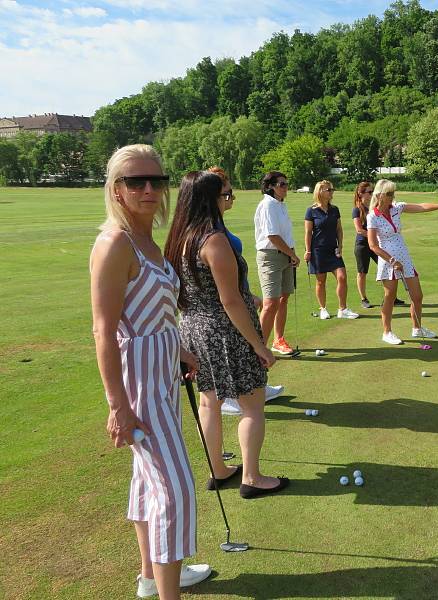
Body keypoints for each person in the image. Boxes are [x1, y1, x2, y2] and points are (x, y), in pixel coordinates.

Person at [90, 144, 211, 599]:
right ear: (115, 189)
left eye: (156, 181)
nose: (147, 189)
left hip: (163, 372)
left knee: (150, 483)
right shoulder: (114, 243)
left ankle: (151, 578)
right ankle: (168, 591)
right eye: (134, 181)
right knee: (175, 490)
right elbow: (104, 332)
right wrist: (117, 406)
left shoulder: (148, 241)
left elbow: (156, 313)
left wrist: (180, 350)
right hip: (137, 383)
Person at [164, 171, 289, 500]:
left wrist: (252, 300)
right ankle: (252, 477)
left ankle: (218, 469)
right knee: (252, 406)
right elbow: (229, 300)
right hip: (224, 332)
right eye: (227, 195)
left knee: (210, 403)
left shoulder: (180, 237)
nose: (231, 199)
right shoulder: (213, 240)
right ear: (209, 199)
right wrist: (259, 344)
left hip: (193, 328)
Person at [206, 166, 284, 416]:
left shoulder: (218, 222)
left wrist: (248, 294)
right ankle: (231, 397)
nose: (232, 197)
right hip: (228, 301)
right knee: (238, 345)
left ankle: (256, 387)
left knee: (244, 346)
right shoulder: (210, 228)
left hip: (241, 291)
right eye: (228, 192)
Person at [366, 179, 438, 345]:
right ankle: (387, 332)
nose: (392, 197)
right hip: (388, 260)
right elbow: (373, 245)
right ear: (380, 195)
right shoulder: (372, 216)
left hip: (404, 256)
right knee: (390, 296)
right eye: (389, 194)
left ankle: (417, 329)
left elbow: (421, 207)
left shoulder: (397, 208)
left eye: (393, 193)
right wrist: (391, 260)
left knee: (417, 296)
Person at [254, 171, 300, 355]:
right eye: (282, 184)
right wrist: (292, 254)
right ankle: (259, 348)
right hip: (270, 255)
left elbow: (285, 235)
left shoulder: (280, 205)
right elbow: (272, 236)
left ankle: (278, 340)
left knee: (283, 298)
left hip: (286, 254)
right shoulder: (268, 205)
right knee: (270, 302)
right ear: (271, 186)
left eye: (286, 184)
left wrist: (292, 254)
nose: (286, 187)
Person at [304, 180, 359, 320]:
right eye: (328, 189)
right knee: (321, 281)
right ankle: (323, 309)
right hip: (318, 250)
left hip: (333, 250)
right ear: (320, 192)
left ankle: (343, 309)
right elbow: (308, 232)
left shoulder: (334, 209)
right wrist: (308, 251)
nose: (331, 192)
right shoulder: (311, 211)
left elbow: (339, 229)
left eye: (331, 189)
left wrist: (340, 246)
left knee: (342, 277)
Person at [351, 181, 405, 309]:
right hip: (363, 245)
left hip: (377, 245)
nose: (372, 194)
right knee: (362, 272)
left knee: (389, 266)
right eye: (369, 192)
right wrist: (375, 237)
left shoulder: (375, 207)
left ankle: (391, 296)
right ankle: (364, 298)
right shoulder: (357, 209)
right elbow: (359, 230)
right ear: (361, 194)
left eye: (372, 191)